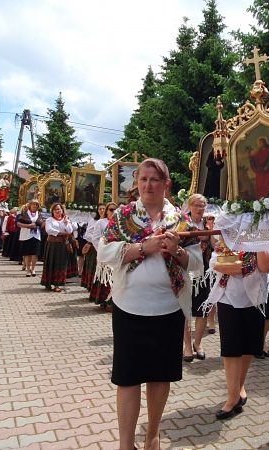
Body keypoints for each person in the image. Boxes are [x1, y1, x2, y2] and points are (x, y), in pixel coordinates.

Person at [95, 158, 202, 450]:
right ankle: (125, 444)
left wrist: (176, 250)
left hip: (168, 310)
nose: (148, 185)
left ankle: (152, 436)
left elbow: (196, 262)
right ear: (136, 183)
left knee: (159, 377)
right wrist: (144, 247)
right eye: (143, 179)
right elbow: (104, 253)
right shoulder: (123, 215)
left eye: (155, 180)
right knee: (128, 379)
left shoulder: (180, 219)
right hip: (128, 307)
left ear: (166, 184)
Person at [202, 246, 269, 421]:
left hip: (255, 298)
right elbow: (216, 263)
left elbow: (267, 266)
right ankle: (232, 397)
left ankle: (239, 388)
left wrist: (255, 248)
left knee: (249, 347)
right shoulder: (228, 237)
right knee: (231, 348)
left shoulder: (263, 236)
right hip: (227, 297)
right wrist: (250, 267)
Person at [182, 194, 216, 362]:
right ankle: (187, 346)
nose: (199, 209)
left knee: (203, 308)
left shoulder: (207, 223)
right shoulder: (183, 222)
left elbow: (215, 246)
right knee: (185, 310)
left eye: (202, 206)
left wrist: (211, 229)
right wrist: (197, 235)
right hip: (187, 269)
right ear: (189, 206)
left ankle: (198, 343)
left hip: (204, 270)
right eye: (196, 205)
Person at [86, 202, 115, 309]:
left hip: (116, 253)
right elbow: (95, 238)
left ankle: (111, 302)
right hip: (104, 253)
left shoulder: (120, 222)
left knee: (114, 278)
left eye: (115, 210)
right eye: (111, 209)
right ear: (107, 211)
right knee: (105, 278)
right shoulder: (101, 222)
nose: (113, 212)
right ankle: (104, 301)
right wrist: (103, 251)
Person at [41, 202, 75, 293]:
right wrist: (62, 233)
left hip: (63, 244)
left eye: (59, 209)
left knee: (61, 264)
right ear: (52, 211)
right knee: (50, 262)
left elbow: (70, 231)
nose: (57, 211)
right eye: (55, 209)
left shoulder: (65, 220)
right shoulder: (49, 220)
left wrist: (66, 223)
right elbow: (49, 230)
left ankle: (58, 284)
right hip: (52, 244)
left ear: (62, 210)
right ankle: (47, 283)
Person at [17, 199, 44, 277]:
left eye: (36, 205)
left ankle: (33, 269)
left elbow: (41, 223)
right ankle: (28, 269)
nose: (35, 206)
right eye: (33, 204)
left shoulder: (39, 214)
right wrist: (29, 225)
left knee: (35, 253)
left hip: (36, 235)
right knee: (27, 253)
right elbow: (19, 224)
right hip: (26, 235)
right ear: (30, 205)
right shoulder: (24, 213)